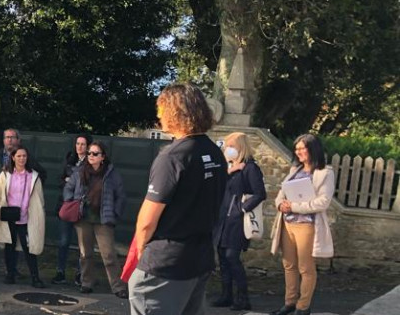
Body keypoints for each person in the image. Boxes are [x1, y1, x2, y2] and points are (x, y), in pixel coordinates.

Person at [128, 83, 226, 315]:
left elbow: (147, 220)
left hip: (166, 263)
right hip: (199, 257)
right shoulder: (214, 153)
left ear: (174, 112)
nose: (158, 116)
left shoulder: (173, 156)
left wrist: (142, 252)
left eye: (161, 110)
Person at [268, 134, 334, 315]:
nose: (298, 153)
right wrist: (280, 204)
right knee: (289, 265)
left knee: (306, 267)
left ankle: (303, 307)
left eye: (302, 148)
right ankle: (289, 303)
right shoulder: (294, 170)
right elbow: (282, 193)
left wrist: (295, 206)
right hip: (287, 224)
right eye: (296, 149)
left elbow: (323, 202)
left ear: (313, 149)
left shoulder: (325, 173)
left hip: (307, 225)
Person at [63, 141, 128, 298]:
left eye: (95, 153)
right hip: (83, 218)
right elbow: (68, 188)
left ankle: (118, 286)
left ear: (103, 157)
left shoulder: (112, 174)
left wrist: (115, 214)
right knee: (85, 254)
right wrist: (71, 202)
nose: (91, 156)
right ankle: (87, 283)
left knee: (109, 255)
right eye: (89, 153)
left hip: (103, 219)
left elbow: (121, 196)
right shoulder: (79, 172)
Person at [211, 132, 266, 310]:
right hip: (223, 220)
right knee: (223, 258)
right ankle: (226, 295)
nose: (228, 149)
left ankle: (243, 298)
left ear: (241, 147)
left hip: (237, 221)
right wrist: (231, 170)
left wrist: (242, 209)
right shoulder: (230, 167)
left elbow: (260, 193)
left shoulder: (251, 168)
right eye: (227, 146)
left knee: (232, 257)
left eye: (232, 146)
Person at [0, 129, 46, 276]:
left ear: (18, 140)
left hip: (23, 213)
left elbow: (41, 175)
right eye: (6, 137)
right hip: (3, 208)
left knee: (20, 243)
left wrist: (33, 199)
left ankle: (17, 271)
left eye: (12, 137)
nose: (9, 140)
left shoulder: (28, 160)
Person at [53, 133, 91, 285]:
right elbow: (60, 179)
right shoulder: (69, 160)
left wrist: (71, 181)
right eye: (77, 144)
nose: (79, 147)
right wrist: (67, 182)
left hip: (82, 208)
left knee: (82, 243)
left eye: (83, 144)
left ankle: (80, 273)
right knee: (63, 241)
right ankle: (60, 272)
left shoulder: (90, 162)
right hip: (67, 205)